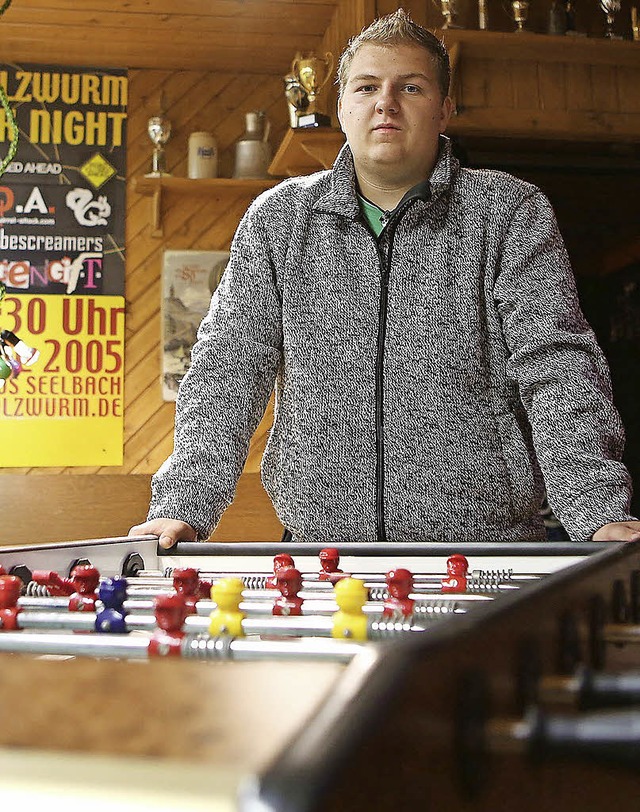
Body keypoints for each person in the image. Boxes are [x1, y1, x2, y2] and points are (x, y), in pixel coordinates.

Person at [130, 9, 640, 550]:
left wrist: (597, 511)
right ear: (343, 108)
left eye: (411, 87)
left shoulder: (510, 212)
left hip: (487, 552)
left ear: (444, 109)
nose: (386, 103)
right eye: (367, 86)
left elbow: (558, 365)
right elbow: (228, 371)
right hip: (318, 552)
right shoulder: (278, 220)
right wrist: (182, 505)